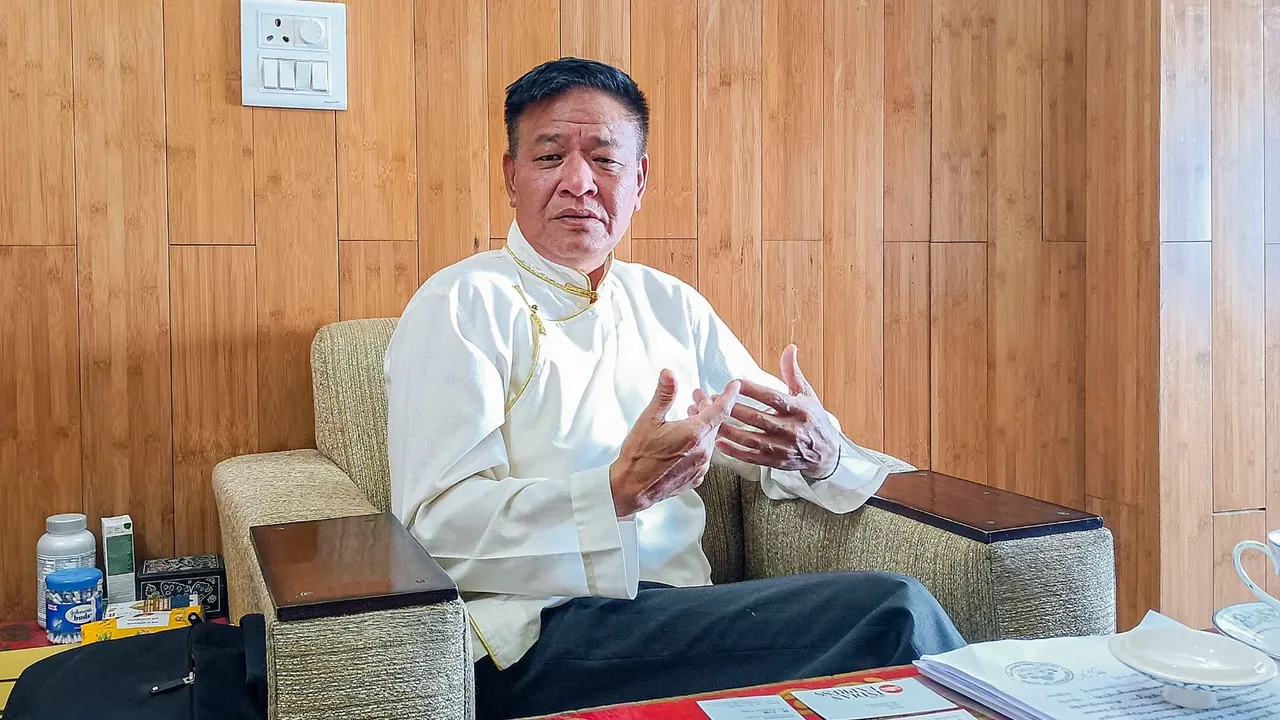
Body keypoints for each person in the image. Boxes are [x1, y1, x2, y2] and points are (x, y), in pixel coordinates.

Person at [385, 57, 965, 720]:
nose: (577, 182)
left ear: (639, 181)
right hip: (537, 633)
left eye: (604, 159)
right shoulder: (461, 303)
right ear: (511, 177)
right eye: (550, 157)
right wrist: (612, 493)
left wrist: (821, 453)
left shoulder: (670, 305)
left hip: (680, 617)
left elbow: (771, 438)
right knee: (893, 614)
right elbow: (432, 535)